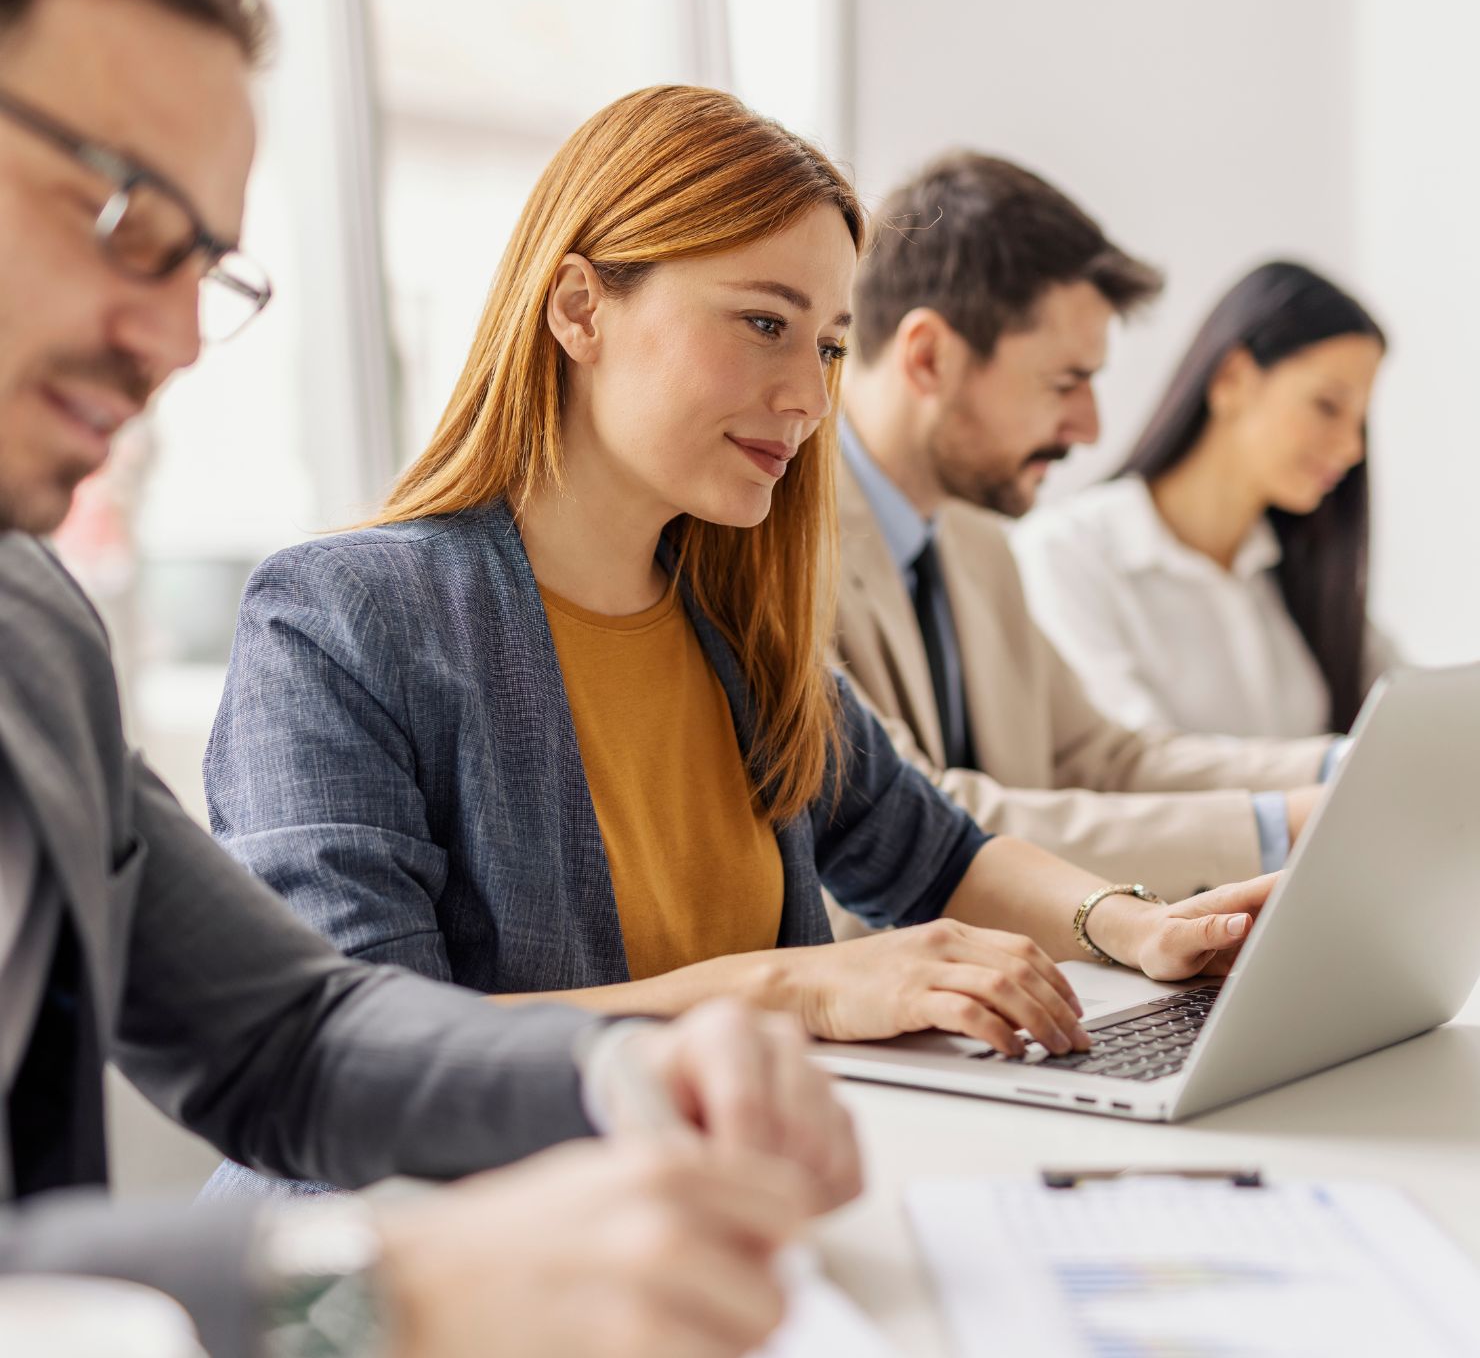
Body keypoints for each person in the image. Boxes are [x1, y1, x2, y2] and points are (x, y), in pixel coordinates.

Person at [0, 0, 861, 1358]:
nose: (167, 343)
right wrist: (363, 1293)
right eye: (117, 217)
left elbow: (292, 1032)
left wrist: (618, 1070)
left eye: (201, 266)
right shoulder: (351, 612)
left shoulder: (32, 629)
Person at [201, 81, 1283, 1209]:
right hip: (426, 1278)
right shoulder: (339, 623)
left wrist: (1135, 927)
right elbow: (363, 1052)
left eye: (825, 346)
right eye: (763, 323)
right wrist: (792, 989)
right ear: (579, 307)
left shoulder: (731, 623)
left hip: (701, 1247)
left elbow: (935, 853)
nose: (808, 396)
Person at [835, 154, 1341, 905]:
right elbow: (917, 827)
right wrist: (1273, 829)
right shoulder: (777, 547)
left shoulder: (975, 543)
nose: (1091, 427)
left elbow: (1100, 759)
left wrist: (1338, 771)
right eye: (1065, 382)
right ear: (929, 357)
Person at [1014, 259, 1396, 738]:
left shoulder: (1300, 579)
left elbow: (1420, 716)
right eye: (1327, 406)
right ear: (1232, 378)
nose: (1351, 447)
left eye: (1359, 420)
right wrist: (1329, 773)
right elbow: (1133, 769)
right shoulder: (1066, 553)